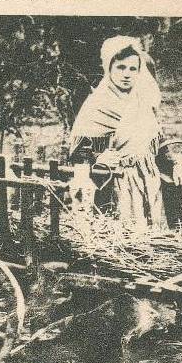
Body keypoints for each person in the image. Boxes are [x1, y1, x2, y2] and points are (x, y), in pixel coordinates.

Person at [69, 36, 167, 230]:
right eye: (121, 67)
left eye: (133, 69)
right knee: (118, 237)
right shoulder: (98, 104)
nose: (127, 74)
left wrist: (175, 164)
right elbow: (81, 152)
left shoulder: (142, 101)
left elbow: (156, 140)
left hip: (147, 180)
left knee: (150, 238)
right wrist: (99, 157)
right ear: (109, 68)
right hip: (113, 182)